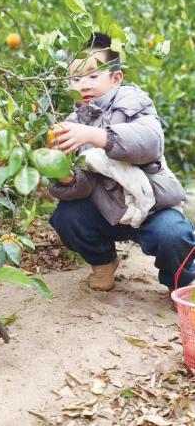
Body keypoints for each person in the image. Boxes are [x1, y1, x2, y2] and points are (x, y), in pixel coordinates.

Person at [48, 32, 194, 292]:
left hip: (151, 208)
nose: (84, 84)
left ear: (116, 78)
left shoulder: (132, 101)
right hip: (108, 211)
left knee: (174, 235)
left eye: (93, 75)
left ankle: (179, 283)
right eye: (76, 77)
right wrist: (62, 173)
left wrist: (98, 136)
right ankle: (103, 263)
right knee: (66, 217)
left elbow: (150, 142)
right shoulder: (72, 122)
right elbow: (84, 186)